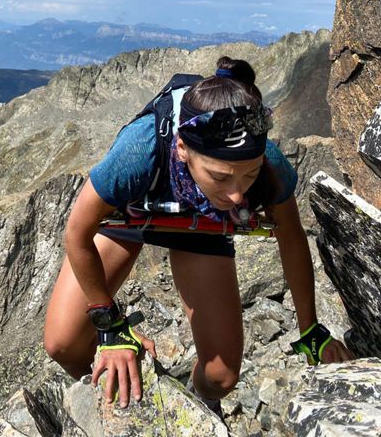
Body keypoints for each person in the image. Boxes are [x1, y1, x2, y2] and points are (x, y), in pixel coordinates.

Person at [44, 57, 354, 412]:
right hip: (130, 215)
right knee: (63, 344)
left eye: (249, 176)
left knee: (221, 377)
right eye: (221, 177)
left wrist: (309, 329)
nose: (237, 194)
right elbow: (76, 233)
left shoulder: (269, 162)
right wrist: (110, 328)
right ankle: (128, 387)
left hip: (203, 223)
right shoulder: (139, 151)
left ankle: (198, 405)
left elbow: (292, 238)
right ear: (182, 149)